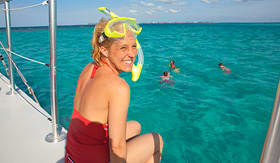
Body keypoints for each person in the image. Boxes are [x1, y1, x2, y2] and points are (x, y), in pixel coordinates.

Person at [65, 17, 163, 163]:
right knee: (156, 139)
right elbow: (117, 147)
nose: (131, 54)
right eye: (123, 48)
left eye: (133, 46)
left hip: (73, 155)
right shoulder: (118, 87)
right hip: (91, 159)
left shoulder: (90, 68)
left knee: (136, 126)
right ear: (104, 50)